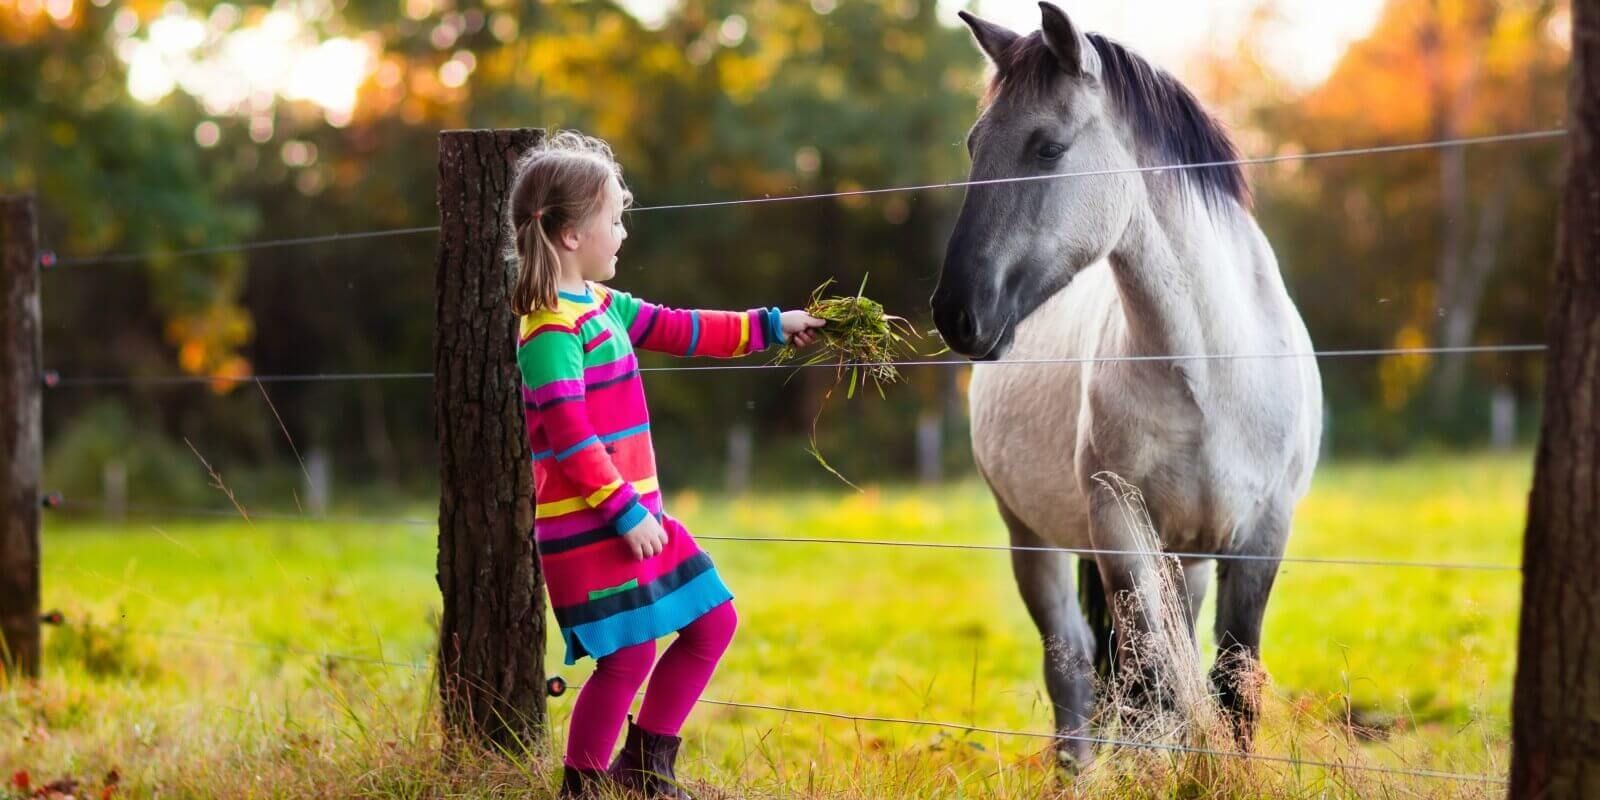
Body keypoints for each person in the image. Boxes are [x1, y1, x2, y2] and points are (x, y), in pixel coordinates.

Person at [508, 130, 825, 798]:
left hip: (632, 517)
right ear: (570, 236)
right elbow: (568, 433)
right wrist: (623, 512)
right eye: (614, 220)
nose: (623, 233)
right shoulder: (548, 329)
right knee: (626, 657)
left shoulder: (601, 306)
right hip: (596, 525)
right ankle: (586, 787)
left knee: (713, 621)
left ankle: (646, 768)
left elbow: (684, 327)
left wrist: (774, 324)